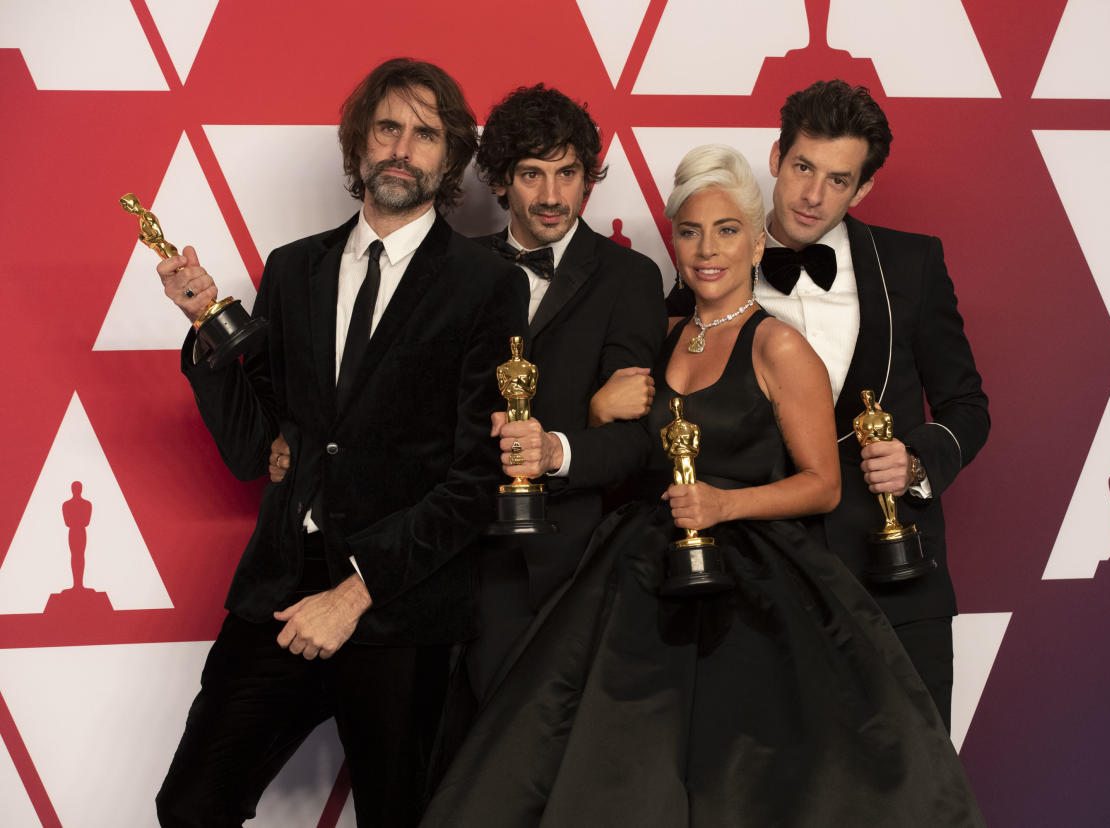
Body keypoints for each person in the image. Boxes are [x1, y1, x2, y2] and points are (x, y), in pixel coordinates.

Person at [420, 145, 983, 827]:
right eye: (689, 231)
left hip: (755, 583)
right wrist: (598, 414)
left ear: (754, 243)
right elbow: (631, 448)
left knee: (740, 783)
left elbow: (823, 487)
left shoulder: (781, 346)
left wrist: (724, 503)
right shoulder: (660, 335)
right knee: (612, 770)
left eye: (725, 230)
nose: (705, 248)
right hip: (641, 575)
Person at [153, 58, 527, 826]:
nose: (403, 147)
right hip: (283, 586)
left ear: (450, 158)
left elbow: (475, 477)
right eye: (388, 127)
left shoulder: (485, 284)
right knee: (192, 805)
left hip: (399, 599)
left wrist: (354, 593)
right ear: (358, 145)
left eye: (426, 134)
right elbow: (255, 447)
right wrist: (205, 331)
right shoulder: (294, 269)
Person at [671, 80, 989, 728]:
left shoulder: (913, 264)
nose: (812, 196)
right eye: (802, 168)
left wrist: (918, 462)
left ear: (863, 188)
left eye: (838, 180)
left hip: (898, 576)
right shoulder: (713, 260)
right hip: (764, 580)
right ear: (776, 156)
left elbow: (967, 405)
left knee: (919, 797)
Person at [467, 83, 666, 697]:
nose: (552, 196)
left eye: (568, 172)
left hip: (575, 561)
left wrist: (557, 449)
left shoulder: (630, 277)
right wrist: (586, 411)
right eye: (532, 174)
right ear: (500, 181)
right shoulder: (453, 268)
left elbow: (635, 442)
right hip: (461, 553)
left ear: (588, 179)